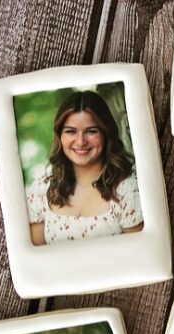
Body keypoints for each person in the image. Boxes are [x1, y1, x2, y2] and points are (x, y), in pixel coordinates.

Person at [26, 90, 143, 245]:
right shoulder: (42, 189)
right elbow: (35, 261)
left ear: (106, 133)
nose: (80, 142)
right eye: (70, 131)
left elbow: (139, 258)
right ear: (60, 136)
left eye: (91, 131)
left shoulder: (127, 189)